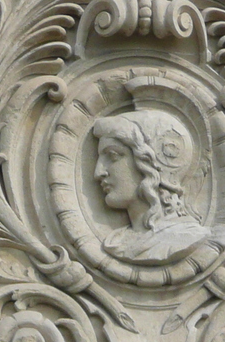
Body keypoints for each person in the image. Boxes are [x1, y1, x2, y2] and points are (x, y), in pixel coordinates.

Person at [90, 109, 209, 262]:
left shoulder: (184, 238)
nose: (98, 172)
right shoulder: (117, 241)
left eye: (113, 156)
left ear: (152, 164)